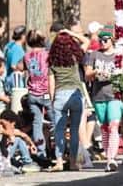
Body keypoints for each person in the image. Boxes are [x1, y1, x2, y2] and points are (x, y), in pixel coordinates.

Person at [85, 29, 123, 172]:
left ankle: (111, 159)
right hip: (99, 95)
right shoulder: (94, 54)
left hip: (115, 95)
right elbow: (87, 75)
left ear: (112, 40)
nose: (102, 42)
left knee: (114, 126)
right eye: (100, 40)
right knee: (105, 127)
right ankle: (109, 157)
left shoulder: (119, 56)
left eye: (105, 40)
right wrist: (96, 72)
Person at [48, 31, 85, 172]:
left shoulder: (52, 60)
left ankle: (59, 162)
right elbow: (85, 41)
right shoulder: (75, 57)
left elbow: (51, 83)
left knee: (59, 130)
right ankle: (74, 162)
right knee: (74, 130)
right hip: (76, 95)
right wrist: (70, 33)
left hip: (60, 95)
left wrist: (52, 100)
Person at [23, 29, 51, 158]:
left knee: (37, 123)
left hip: (32, 93)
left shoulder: (26, 56)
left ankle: (41, 151)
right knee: (55, 121)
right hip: (46, 92)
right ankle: (58, 150)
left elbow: (19, 67)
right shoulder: (47, 55)